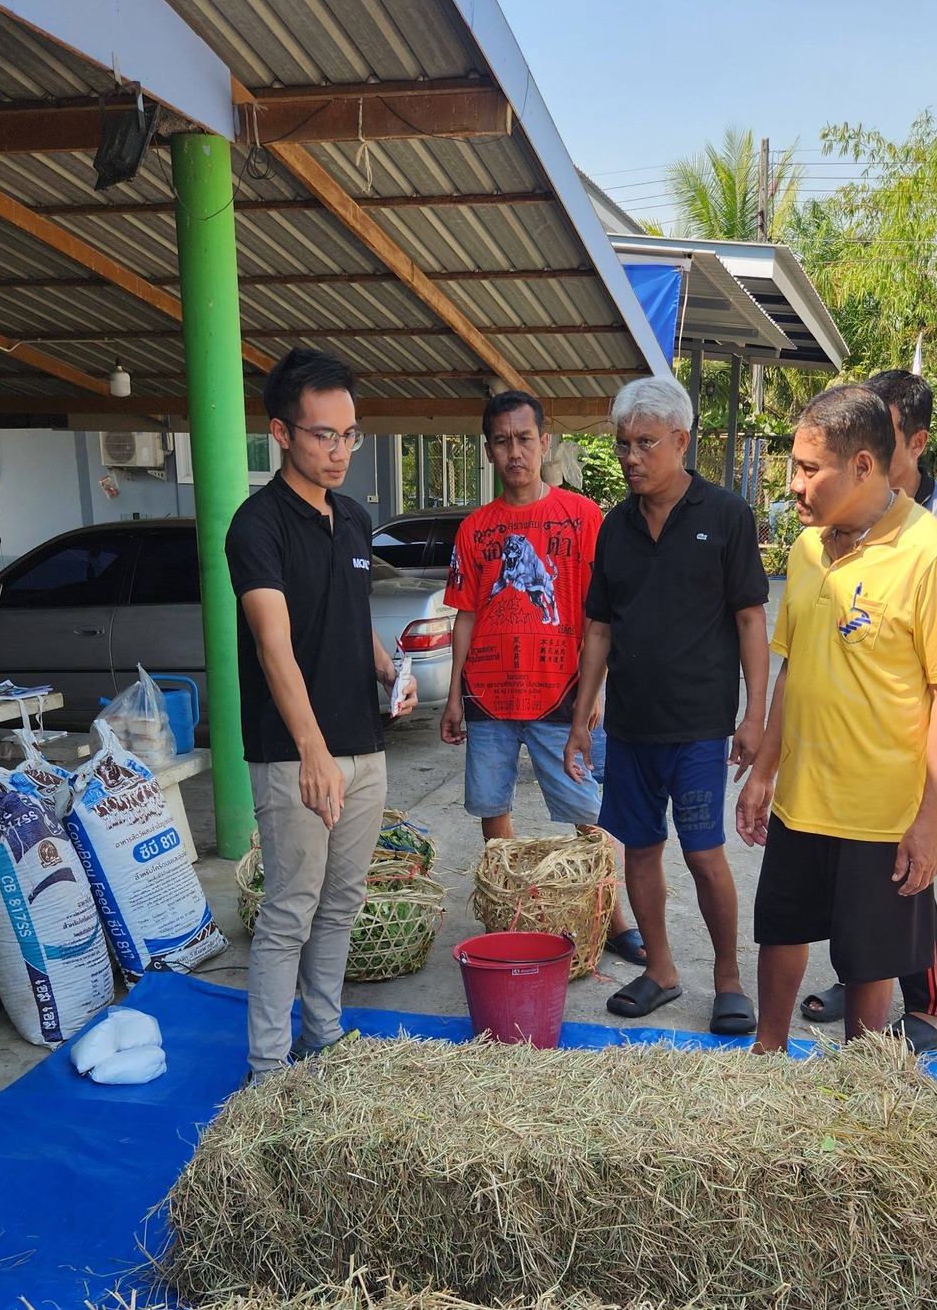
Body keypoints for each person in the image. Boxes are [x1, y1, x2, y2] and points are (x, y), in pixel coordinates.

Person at [735, 384, 937, 1053]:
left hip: (880, 813)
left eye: (809, 469)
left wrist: (929, 819)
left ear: (864, 465)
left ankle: (862, 1092)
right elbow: (795, 665)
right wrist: (764, 772)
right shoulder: (808, 550)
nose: (794, 484)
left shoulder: (931, 555)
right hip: (801, 800)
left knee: (868, 964)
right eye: (794, 466)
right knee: (780, 931)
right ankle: (767, 1056)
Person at [225, 346, 416, 1078]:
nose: (340, 452)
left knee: (343, 903)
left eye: (350, 434)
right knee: (288, 913)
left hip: (364, 743)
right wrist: (311, 753)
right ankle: (268, 1066)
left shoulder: (356, 519)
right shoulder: (258, 526)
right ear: (281, 433)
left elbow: (349, 608)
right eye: (322, 435)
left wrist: (385, 666)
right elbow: (276, 648)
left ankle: (324, 1031)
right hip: (294, 752)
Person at [565, 376, 769, 1034]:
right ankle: (660, 970)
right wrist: (580, 718)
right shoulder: (614, 527)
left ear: (681, 441)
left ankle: (729, 979)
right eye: (623, 444)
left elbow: (749, 621)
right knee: (641, 849)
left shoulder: (725, 515)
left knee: (704, 853)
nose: (630, 457)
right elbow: (599, 626)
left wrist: (755, 715)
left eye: (644, 444)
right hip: (630, 727)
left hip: (701, 729)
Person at [799, 368, 937, 1047]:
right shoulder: (845, 520)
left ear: (913, 442)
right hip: (847, 745)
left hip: (905, 732)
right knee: (860, 893)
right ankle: (860, 981)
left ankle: (931, 1006)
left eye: (882, 436)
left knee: (908, 877)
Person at [439, 390, 642, 962]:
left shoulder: (583, 517)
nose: (515, 452)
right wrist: (454, 695)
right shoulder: (475, 529)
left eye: (524, 439)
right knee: (491, 807)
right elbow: (466, 615)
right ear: (488, 451)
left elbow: (600, 612)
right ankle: (510, 916)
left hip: (564, 693)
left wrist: (596, 689)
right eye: (502, 442)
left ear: (544, 443)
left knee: (590, 814)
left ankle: (614, 918)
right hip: (489, 696)